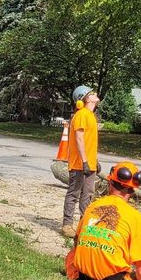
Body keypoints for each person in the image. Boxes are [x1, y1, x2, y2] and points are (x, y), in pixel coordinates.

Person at [60, 85, 100, 237]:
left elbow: (90, 142)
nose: (95, 94)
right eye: (92, 93)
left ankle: (86, 225)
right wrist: (84, 161)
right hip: (79, 163)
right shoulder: (81, 115)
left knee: (88, 194)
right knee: (74, 193)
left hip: (89, 162)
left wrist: (94, 160)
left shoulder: (91, 115)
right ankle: (67, 225)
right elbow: (79, 139)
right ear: (86, 98)